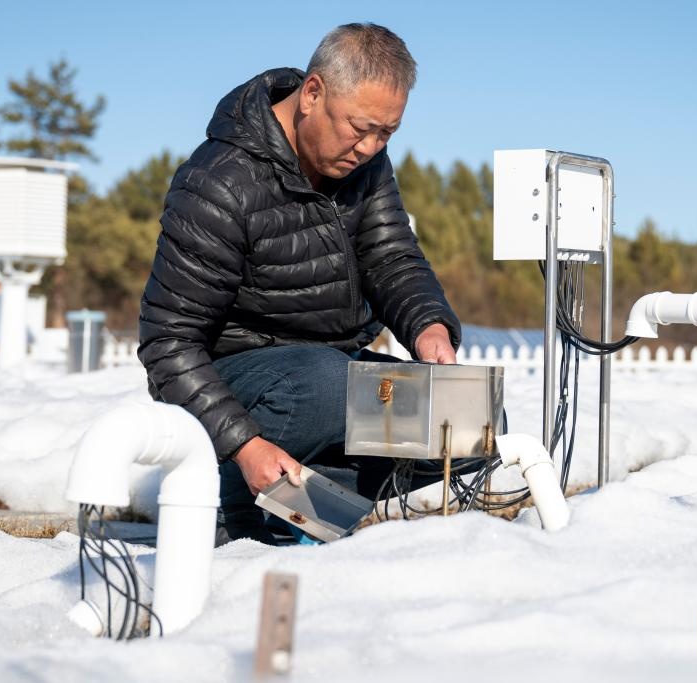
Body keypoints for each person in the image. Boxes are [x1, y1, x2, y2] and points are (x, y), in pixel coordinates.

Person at [138, 23, 461, 544]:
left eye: (388, 133)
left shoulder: (367, 165)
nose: (371, 147)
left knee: (467, 421)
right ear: (312, 93)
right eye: (361, 127)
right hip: (244, 382)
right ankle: (230, 492)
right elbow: (167, 344)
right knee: (328, 385)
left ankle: (320, 502)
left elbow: (392, 257)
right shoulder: (218, 183)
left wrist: (429, 326)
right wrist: (244, 445)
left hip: (326, 380)